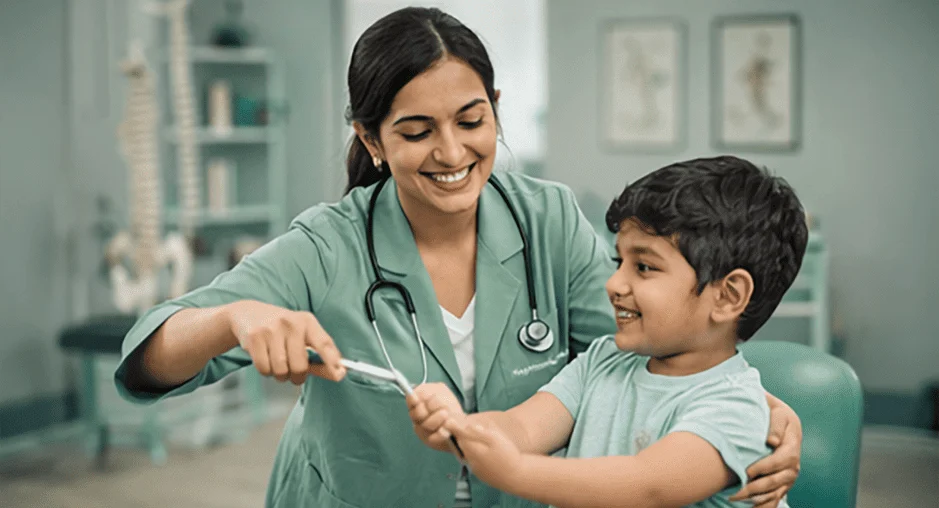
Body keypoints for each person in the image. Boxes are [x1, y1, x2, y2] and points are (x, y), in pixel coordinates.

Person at [113, 7, 801, 508]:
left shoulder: (547, 219)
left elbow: (652, 344)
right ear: (371, 138)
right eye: (416, 132)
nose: (451, 153)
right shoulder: (328, 245)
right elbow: (147, 361)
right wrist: (235, 316)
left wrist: (765, 409)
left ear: (495, 109)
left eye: (471, 121)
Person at [408, 156, 807, 508]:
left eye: (644, 267)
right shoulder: (603, 361)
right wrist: (459, 427)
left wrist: (514, 472)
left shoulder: (735, 412)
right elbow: (522, 428)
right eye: (620, 261)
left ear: (728, 296)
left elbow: (645, 485)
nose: (614, 284)